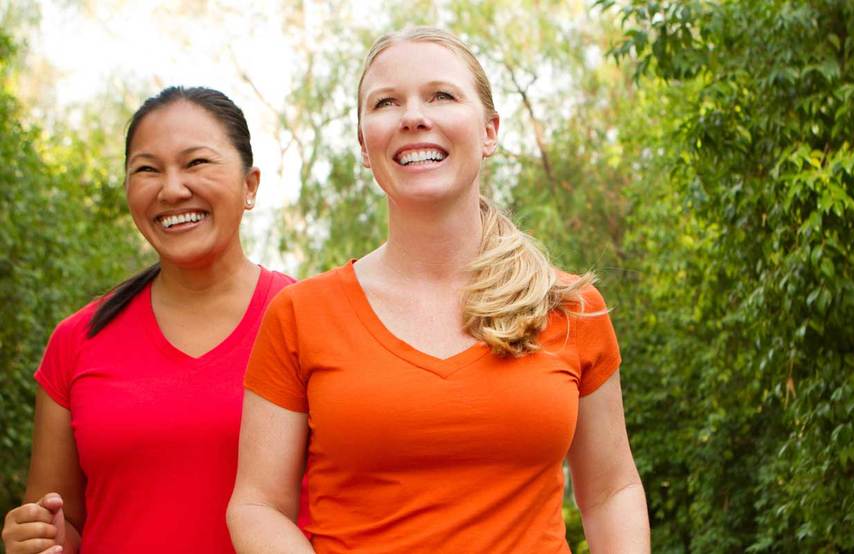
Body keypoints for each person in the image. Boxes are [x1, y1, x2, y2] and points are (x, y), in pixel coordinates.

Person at [227, 26, 651, 553]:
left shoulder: (568, 307)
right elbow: (257, 506)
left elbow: (611, 490)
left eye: (441, 96)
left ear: (490, 131)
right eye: (386, 103)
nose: (412, 117)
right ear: (364, 143)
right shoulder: (299, 314)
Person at [1, 86, 306, 554]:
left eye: (197, 163)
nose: (171, 189)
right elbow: (61, 522)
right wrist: (37, 538)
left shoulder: (309, 319)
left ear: (250, 185)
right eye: (146, 169)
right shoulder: (77, 339)